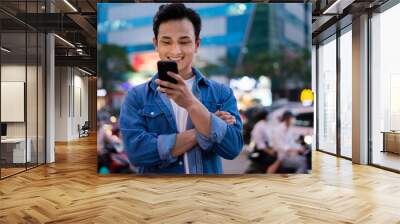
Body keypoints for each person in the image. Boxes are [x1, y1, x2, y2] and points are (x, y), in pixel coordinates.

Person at [119, 3, 243, 174]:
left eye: (184, 42)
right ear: (156, 44)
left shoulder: (222, 93)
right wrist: (205, 127)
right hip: (158, 197)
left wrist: (191, 103)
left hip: (206, 196)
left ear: (196, 44)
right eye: (166, 42)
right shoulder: (136, 96)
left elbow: (233, 148)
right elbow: (136, 153)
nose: (175, 50)